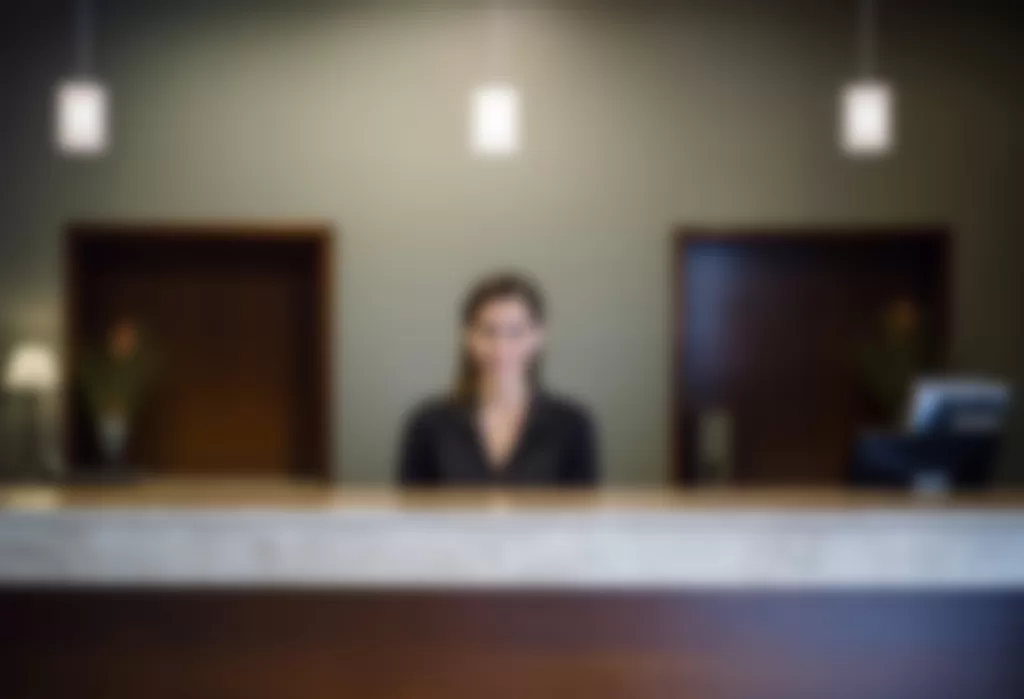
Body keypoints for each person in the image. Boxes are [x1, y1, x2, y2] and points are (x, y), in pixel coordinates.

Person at [398, 272, 598, 486]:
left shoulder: (572, 425)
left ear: (537, 337)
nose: (500, 348)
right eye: (488, 331)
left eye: (515, 332)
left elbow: (582, 516)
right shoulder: (428, 425)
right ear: (468, 337)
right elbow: (411, 515)